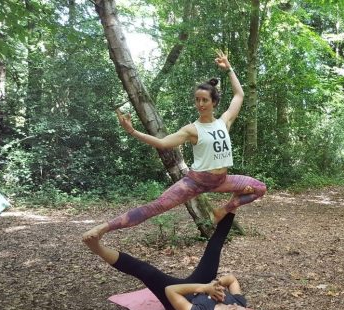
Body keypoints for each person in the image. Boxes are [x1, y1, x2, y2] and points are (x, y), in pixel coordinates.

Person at [82, 49, 266, 243]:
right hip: (195, 181)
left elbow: (239, 95)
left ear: (214, 102)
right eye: (197, 100)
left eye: (205, 100)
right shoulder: (191, 129)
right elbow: (162, 143)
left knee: (259, 188)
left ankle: (222, 210)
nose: (200, 104)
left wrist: (228, 69)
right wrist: (132, 132)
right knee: (156, 206)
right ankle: (104, 228)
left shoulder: (224, 122)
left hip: (221, 180)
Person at [83, 213, 267, 310]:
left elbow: (172, 290)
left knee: (145, 271)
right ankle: (233, 206)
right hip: (203, 286)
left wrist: (205, 288)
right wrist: (217, 283)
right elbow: (232, 279)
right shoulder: (239, 304)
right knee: (214, 250)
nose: (232, 305)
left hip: (178, 297)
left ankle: (97, 247)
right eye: (236, 306)